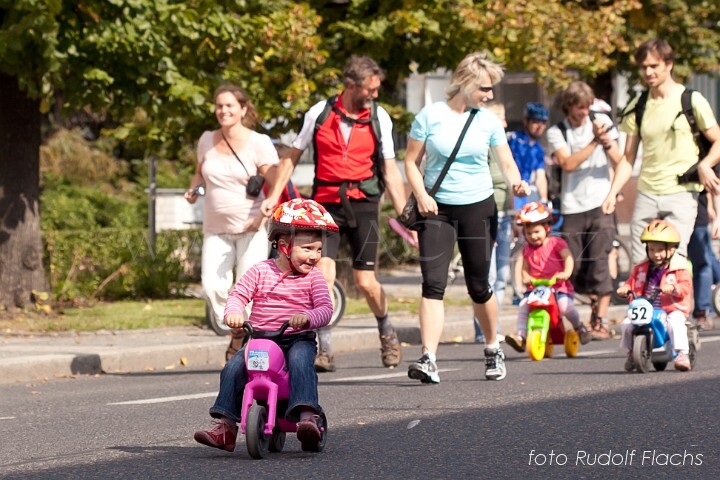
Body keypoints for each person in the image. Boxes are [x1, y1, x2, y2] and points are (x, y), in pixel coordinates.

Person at [262, 55, 408, 372]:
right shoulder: (320, 112)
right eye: (370, 88)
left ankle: (387, 330)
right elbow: (290, 156)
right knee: (322, 275)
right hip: (326, 205)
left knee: (366, 282)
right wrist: (274, 195)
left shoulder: (379, 117)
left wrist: (406, 217)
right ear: (351, 85)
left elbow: (391, 172)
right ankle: (324, 349)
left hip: (364, 203)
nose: (374, 94)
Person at [404, 52, 530, 384]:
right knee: (433, 283)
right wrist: (422, 196)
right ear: (466, 83)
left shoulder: (487, 120)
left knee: (479, 285)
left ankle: (493, 347)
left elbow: (506, 161)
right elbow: (410, 162)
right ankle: (429, 358)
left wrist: (516, 181)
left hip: (478, 206)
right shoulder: (429, 116)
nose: (490, 96)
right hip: (436, 208)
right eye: (485, 89)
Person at [193, 198, 337, 453]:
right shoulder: (260, 271)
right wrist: (235, 313)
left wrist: (308, 317)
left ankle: (307, 417)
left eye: (318, 249)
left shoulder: (314, 278)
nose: (314, 256)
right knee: (234, 368)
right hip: (261, 339)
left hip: (296, 337)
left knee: (301, 361)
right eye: (307, 249)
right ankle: (226, 427)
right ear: (284, 246)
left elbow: (326, 309)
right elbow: (238, 295)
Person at [601, 39, 720, 264]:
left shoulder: (691, 100)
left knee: (673, 264)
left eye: (654, 66)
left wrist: (705, 165)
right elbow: (628, 158)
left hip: (681, 193)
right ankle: (644, 300)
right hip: (647, 192)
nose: (648, 71)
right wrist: (612, 192)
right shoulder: (639, 105)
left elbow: (718, 140)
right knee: (640, 265)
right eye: (644, 67)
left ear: (669, 64)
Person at [185, 84, 279, 360]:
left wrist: (265, 211)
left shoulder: (258, 142)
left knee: (248, 287)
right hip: (216, 227)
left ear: (243, 109)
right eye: (219, 106)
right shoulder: (206, 140)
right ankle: (240, 330)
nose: (223, 111)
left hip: (251, 226)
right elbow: (199, 174)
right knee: (212, 286)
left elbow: (275, 183)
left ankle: (248, 340)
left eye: (229, 106)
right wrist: (194, 190)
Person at [546, 82, 621, 341]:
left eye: (587, 106)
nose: (584, 112)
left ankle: (599, 319)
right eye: (579, 107)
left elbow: (619, 160)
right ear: (569, 106)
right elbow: (567, 163)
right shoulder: (558, 131)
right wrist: (593, 142)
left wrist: (607, 141)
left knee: (600, 261)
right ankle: (577, 313)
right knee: (572, 264)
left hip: (601, 202)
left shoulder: (601, 120)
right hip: (573, 205)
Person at [505, 202, 592, 352]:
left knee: (566, 307)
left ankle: (579, 327)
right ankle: (521, 337)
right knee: (524, 306)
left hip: (558, 287)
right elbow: (525, 268)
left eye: (537, 232)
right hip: (537, 288)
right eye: (528, 233)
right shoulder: (527, 249)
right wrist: (525, 277)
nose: (533, 236)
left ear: (547, 228)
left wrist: (565, 273)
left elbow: (568, 258)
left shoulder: (555, 243)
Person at [616, 219, 693, 371]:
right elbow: (631, 282)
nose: (655, 254)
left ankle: (681, 354)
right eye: (651, 249)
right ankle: (632, 352)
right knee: (627, 324)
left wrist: (673, 287)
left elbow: (686, 286)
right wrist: (625, 287)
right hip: (647, 307)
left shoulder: (679, 268)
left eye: (659, 250)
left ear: (671, 250)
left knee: (675, 323)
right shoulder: (641, 268)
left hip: (671, 308)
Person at [473, 102, 511, 342]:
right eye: (501, 119)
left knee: (503, 276)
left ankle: (492, 328)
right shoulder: (482, 148)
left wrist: (515, 216)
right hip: (487, 216)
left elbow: (510, 183)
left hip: (506, 216)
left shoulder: (504, 149)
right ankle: (484, 330)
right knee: (489, 277)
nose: (505, 124)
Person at [687, 188, 720, 330]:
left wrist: (714, 211)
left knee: (703, 261)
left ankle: (703, 311)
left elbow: (713, 183)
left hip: (697, 215)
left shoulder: (705, 165)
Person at [508, 102, 549, 209]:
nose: (540, 126)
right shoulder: (513, 139)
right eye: (536, 121)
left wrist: (544, 201)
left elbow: (540, 176)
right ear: (526, 121)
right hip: (508, 193)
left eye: (544, 122)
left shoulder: (538, 149)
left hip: (526, 194)